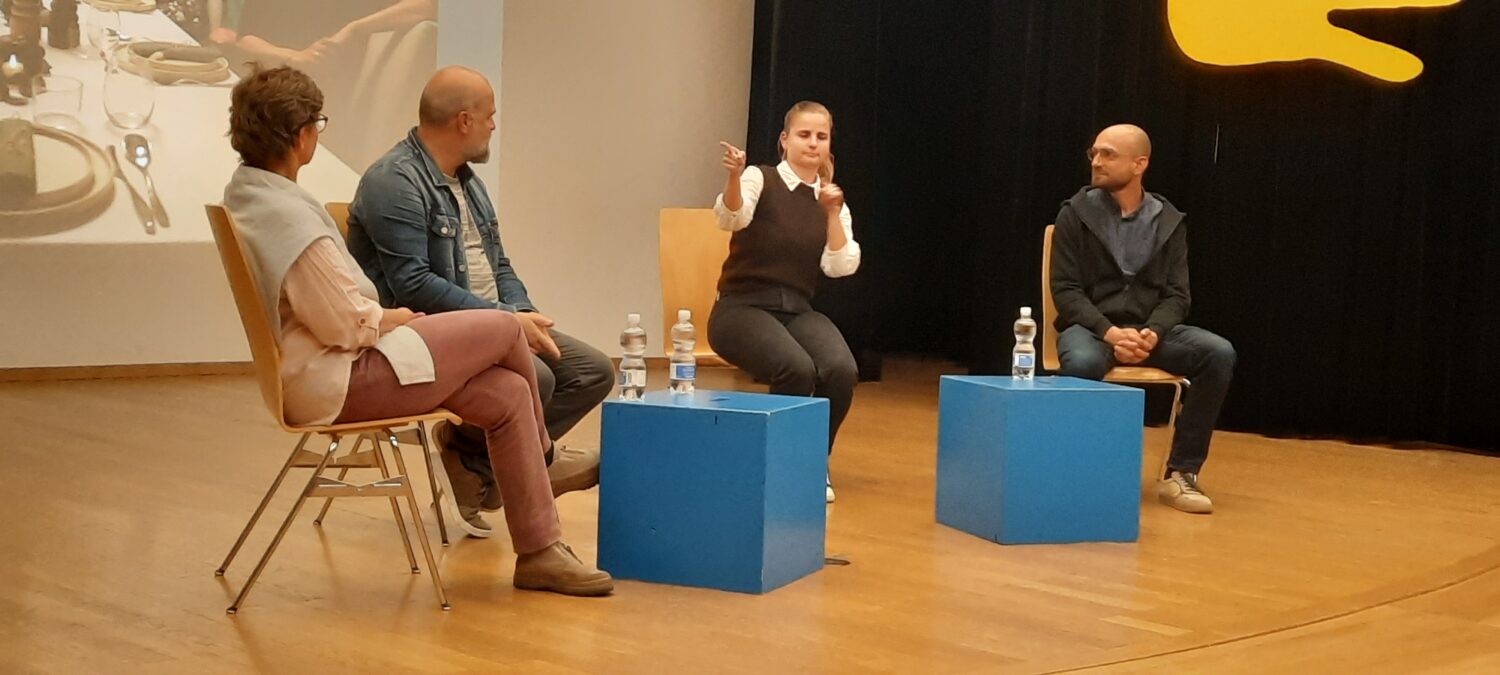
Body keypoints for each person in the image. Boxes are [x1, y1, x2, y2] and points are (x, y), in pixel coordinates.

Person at [221, 65, 611, 595]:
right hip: (337, 376)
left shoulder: (255, 193)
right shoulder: (287, 211)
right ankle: (545, 462)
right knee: (503, 329)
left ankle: (539, 552)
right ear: (303, 135)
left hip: (343, 364)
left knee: (509, 391)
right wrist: (391, 318)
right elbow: (344, 322)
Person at [347, 66, 611, 537]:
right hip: (427, 334)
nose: (494, 126)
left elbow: (498, 264)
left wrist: (522, 312)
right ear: (464, 121)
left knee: (593, 371)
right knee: (540, 378)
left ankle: (474, 461)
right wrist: (505, 321)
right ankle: (524, 467)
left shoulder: (467, 181)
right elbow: (413, 286)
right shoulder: (393, 182)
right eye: (489, 116)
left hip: (492, 322)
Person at [1050, 123, 1237, 514]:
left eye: (1108, 154)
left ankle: (1181, 473)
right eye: (1094, 153)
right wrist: (1110, 332)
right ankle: (1077, 475)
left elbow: (1177, 295)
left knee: (1217, 352)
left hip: (1149, 330)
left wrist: (1153, 332)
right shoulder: (1075, 214)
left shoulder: (1169, 220)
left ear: (1140, 164)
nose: (1096, 161)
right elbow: (1066, 291)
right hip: (1092, 329)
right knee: (1082, 362)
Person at [712, 101, 861, 503]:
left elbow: (840, 266)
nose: (813, 143)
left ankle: (811, 461)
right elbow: (732, 218)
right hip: (741, 307)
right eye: (804, 134)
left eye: (821, 137)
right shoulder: (760, 178)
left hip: (796, 310)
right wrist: (733, 176)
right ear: (784, 140)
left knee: (841, 369)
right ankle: (778, 463)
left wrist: (831, 213)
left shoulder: (831, 200)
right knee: (795, 368)